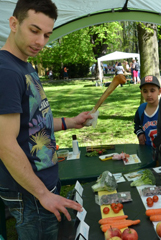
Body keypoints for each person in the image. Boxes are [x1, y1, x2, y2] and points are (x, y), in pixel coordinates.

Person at [0, 0, 93, 239]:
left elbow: (34, 122)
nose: (41, 41)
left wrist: (72, 122)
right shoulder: (7, 72)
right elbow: (4, 143)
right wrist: (43, 194)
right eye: (34, 30)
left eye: (47, 34)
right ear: (13, 23)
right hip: (29, 192)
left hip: (42, 185)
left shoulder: (24, 66)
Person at [134, 75, 161, 147]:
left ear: (159, 91)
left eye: (152, 91)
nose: (149, 95)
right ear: (141, 92)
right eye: (145, 91)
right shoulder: (141, 109)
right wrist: (140, 133)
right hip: (147, 151)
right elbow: (137, 124)